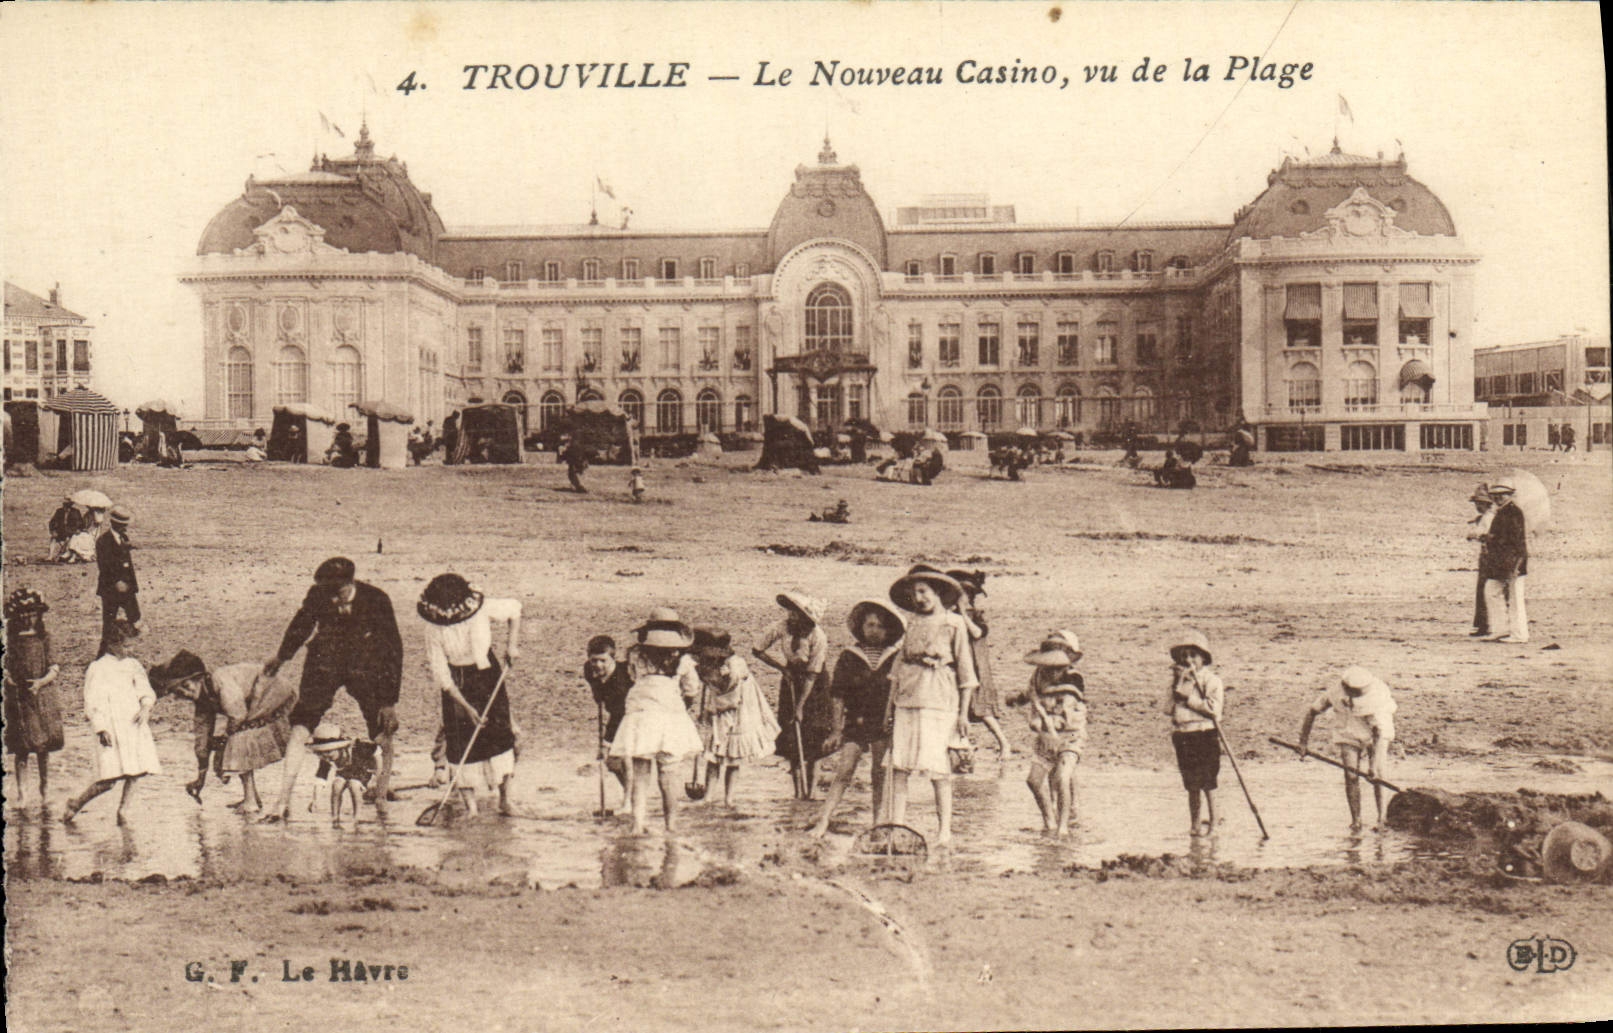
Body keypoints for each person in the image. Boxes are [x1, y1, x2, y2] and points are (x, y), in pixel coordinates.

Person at [260, 557, 403, 822]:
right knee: (302, 722)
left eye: (337, 593)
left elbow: (392, 649)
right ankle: (282, 802)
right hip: (324, 661)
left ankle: (381, 797)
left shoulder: (377, 599)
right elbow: (301, 625)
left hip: (365, 665)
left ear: (350, 584)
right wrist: (281, 657)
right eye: (327, 593)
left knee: (383, 728)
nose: (332, 599)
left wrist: (388, 701)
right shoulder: (318, 593)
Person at [885, 565, 978, 846]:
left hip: (939, 703)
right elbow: (897, 670)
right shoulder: (911, 623)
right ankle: (897, 827)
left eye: (923, 591)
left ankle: (945, 831)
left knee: (939, 770)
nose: (919, 598)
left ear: (937, 593)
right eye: (914, 594)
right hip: (907, 701)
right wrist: (889, 707)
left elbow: (967, 674)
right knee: (899, 767)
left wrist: (963, 714)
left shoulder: (954, 623)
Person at [418, 573, 523, 816]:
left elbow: (515, 609)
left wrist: (512, 645)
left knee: (499, 737)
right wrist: (466, 707)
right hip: (456, 684)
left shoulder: (480, 607)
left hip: (487, 675)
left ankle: (505, 800)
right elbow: (441, 673)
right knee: (460, 742)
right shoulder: (433, 627)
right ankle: (471, 808)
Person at [149, 648, 297, 813]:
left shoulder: (220, 679)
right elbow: (202, 740)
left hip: (274, 692)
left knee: (239, 740)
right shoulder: (202, 703)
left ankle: (251, 802)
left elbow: (238, 714)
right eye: (179, 691)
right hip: (255, 703)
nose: (185, 692)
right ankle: (252, 797)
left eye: (186, 685)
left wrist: (223, 744)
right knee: (236, 740)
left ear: (199, 678)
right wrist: (201, 777)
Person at [810, 598, 904, 837]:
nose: (874, 631)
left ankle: (877, 823)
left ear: (888, 630)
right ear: (861, 627)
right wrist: (836, 730)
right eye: (870, 625)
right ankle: (823, 820)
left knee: (879, 774)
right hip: (856, 720)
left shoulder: (895, 657)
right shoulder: (849, 656)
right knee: (844, 771)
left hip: (883, 722)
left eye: (880, 626)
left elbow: (901, 693)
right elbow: (838, 695)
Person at [610, 613, 705, 833]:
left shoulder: (635, 655)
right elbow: (691, 689)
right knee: (668, 774)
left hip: (641, 716)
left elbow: (633, 678)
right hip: (670, 716)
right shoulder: (683, 660)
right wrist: (682, 705)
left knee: (640, 773)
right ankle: (670, 825)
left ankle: (638, 824)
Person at [63, 620, 159, 824]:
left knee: (137, 770)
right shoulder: (98, 668)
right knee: (109, 779)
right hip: (111, 727)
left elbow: (145, 689)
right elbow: (92, 701)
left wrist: (145, 706)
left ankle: (124, 810)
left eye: (132, 645)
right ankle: (76, 803)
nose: (130, 649)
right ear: (112, 644)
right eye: (126, 646)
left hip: (133, 724)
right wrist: (100, 728)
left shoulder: (133, 665)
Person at [1297, 666, 1398, 830]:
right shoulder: (1335, 692)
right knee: (1351, 776)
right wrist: (1303, 742)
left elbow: (1378, 734)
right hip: (1347, 731)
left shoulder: (1378, 699)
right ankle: (1356, 821)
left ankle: (1381, 819)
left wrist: (1372, 767)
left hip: (1376, 735)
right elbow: (1312, 712)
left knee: (1378, 775)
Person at [753, 589, 832, 799]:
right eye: (790, 612)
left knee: (814, 740)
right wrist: (782, 668)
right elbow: (757, 649)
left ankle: (812, 791)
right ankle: (798, 793)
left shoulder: (818, 636)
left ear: (806, 616)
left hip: (816, 687)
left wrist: (800, 708)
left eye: (796, 613)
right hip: (790, 682)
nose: (791, 616)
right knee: (792, 739)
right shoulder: (783, 627)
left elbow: (812, 675)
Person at [1011, 631, 1088, 838]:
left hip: (1069, 737)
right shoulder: (1038, 675)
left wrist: (1043, 723)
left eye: (1057, 668)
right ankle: (1049, 822)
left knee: (1063, 777)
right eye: (1048, 667)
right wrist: (1017, 700)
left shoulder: (1074, 681)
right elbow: (1030, 693)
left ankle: (1063, 827)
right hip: (1045, 739)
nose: (1052, 673)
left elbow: (1066, 716)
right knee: (1033, 781)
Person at [694, 627, 780, 808]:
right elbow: (710, 684)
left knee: (732, 758)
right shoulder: (709, 661)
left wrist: (710, 709)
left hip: (738, 710)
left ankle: (729, 798)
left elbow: (732, 696)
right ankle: (708, 796)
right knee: (714, 756)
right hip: (720, 707)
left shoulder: (736, 665)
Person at [4, 588, 64, 810]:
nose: (27, 617)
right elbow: (5, 664)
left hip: (41, 697)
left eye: (31, 613)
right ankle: (22, 794)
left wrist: (41, 682)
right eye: (23, 613)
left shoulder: (44, 637)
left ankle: (45, 790)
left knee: (42, 748)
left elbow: (54, 666)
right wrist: (8, 678)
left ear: (39, 615)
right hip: (19, 698)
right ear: (16, 615)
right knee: (21, 747)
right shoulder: (10, 640)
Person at [947, 569, 1013, 761]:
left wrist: (962, 614)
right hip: (958, 666)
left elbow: (977, 633)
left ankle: (1003, 743)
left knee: (982, 710)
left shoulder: (976, 616)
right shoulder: (950, 616)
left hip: (976, 669)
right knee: (958, 708)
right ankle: (962, 746)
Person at [1166, 628, 1224, 837]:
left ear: (1203, 658)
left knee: (1209, 782)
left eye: (1193, 655)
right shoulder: (1178, 681)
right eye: (1185, 656)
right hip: (1183, 736)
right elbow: (1166, 709)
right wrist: (1178, 686)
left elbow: (1213, 710)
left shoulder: (1211, 680)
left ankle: (1214, 824)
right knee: (1191, 784)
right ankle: (1195, 824)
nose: (1189, 660)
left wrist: (1189, 699)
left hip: (1204, 733)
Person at [584, 634, 633, 798]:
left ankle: (631, 798)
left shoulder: (621, 680)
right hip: (618, 714)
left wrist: (606, 743)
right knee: (613, 762)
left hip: (633, 715)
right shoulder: (589, 669)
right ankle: (631, 795)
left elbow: (619, 714)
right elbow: (597, 694)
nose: (597, 665)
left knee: (622, 758)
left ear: (613, 658)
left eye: (603, 661)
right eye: (594, 660)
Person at [1481, 478, 1529, 643]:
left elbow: (1514, 539)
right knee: (1491, 591)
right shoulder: (1502, 512)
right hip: (1501, 560)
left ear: (1509, 495)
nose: (1498, 498)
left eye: (1502, 495)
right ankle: (1500, 630)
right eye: (1495, 495)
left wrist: (1489, 538)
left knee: (1515, 597)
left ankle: (1519, 634)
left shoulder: (1513, 512)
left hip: (1513, 559)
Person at [95, 506, 140, 657]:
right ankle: (102, 655)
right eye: (123, 524)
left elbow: (127, 565)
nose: (125, 527)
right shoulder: (103, 541)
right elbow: (104, 566)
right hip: (111, 590)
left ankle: (129, 650)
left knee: (135, 618)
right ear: (115, 524)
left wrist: (132, 586)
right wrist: (116, 582)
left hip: (127, 588)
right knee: (108, 623)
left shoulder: (124, 538)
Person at [1466, 484, 1495, 637]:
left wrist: (1475, 533)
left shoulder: (1488, 518)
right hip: (1486, 555)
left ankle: (1485, 624)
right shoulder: (1486, 517)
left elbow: (1482, 535)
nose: (1477, 506)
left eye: (1480, 503)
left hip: (1488, 556)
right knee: (1484, 589)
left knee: (1484, 589)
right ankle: (1484, 624)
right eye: (1477, 503)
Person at [47, 496, 83, 562]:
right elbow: (52, 522)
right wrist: (53, 531)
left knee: (74, 539)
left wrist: (76, 530)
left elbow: (80, 524)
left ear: (71, 505)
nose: (66, 507)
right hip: (61, 532)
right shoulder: (59, 511)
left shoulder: (76, 512)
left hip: (71, 533)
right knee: (53, 539)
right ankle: (50, 556)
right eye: (64, 505)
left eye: (68, 505)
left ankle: (68, 556)